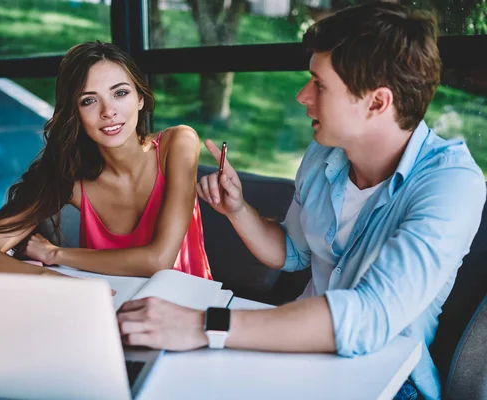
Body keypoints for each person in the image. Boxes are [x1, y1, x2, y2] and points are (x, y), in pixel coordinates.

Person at [116, 3, 486, 400]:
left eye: (319, 84)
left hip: (385, 379)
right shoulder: (324, 153)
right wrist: (238, 210)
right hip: (294, 347)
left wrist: (204, 324)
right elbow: (292, 253)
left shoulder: (452, 184)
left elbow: (370, 317)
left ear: (377, 102)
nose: (301, 96)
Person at [0, 41, 212, 280]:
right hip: (112, 314)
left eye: (120, 93)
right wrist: (52, 280)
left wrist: (55, 254)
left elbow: (158, 261)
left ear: (140, 99)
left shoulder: (178, 143)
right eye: (89, 100)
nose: (108, 112)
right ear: (75, 113)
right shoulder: (70, 179)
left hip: (195, 315)